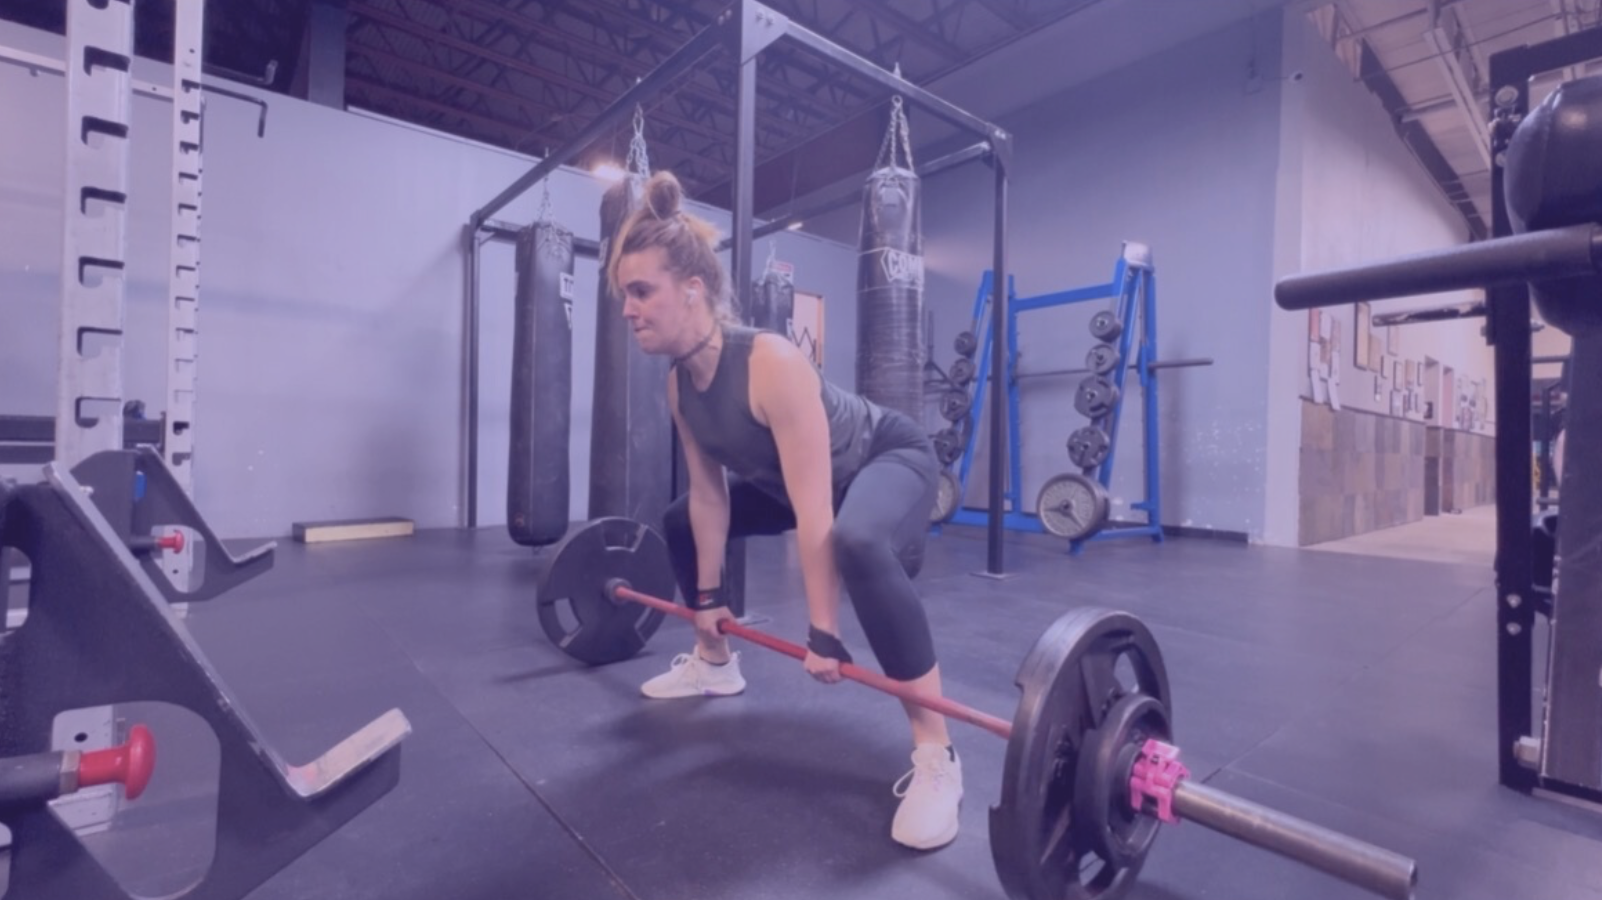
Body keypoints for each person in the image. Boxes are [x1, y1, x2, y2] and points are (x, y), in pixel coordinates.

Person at [606, 170, 962, 852]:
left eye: (641, 291)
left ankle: (936, 752)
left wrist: (822, 630)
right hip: (793, 484)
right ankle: (715, 660)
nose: (629, 309)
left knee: (857, 541)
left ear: (693, 290)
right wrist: (708, 599)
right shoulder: (680, 387)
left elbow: (814, 505)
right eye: (626, 294)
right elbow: (711, 498)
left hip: (885, 458)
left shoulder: (769, 362)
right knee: (681, 516)